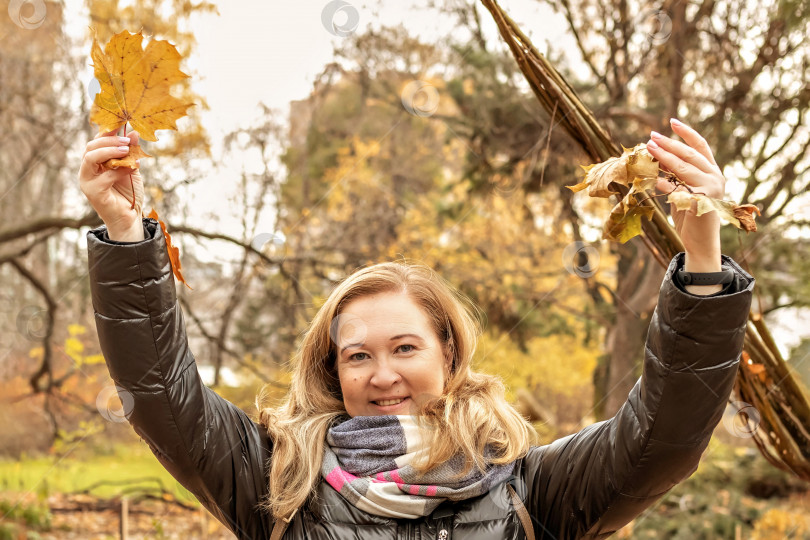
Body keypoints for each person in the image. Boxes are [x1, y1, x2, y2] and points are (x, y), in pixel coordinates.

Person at [79, 118, 754, 540]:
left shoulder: (528, 487)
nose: (382, 375)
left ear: (448, 351)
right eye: (357, 356)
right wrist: (124, 231)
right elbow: (163, 395)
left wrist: (699, 255)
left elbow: (663, 437)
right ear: (332, 372)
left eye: (405, 347)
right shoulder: (279, 485)